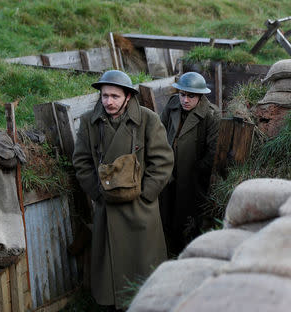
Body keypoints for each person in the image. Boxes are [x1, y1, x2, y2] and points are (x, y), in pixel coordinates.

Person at [72, 70, 174, 310]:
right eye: (105, 95)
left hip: (141, 208)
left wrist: (146, 195)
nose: (108, 101)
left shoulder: (148, 120)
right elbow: (82, 162)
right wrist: (98, 194)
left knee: (144, 263)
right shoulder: (89, 122)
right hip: (108, 209)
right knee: (110, 268)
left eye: (115, 96)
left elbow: (163, 161)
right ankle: (112, 302)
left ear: (128, 96)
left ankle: (148, 303)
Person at [159, 72, 220, 256]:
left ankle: (188, 250)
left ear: (200, 95)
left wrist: (197, 171)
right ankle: (167, 249)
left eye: (190, 96)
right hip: (169, 171)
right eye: (182, 94)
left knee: (189, 215)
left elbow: (213, 151)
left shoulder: (211, 115)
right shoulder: (172, 106)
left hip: (192, 175)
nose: (185, 100)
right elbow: (160, 132)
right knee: (165, 210)